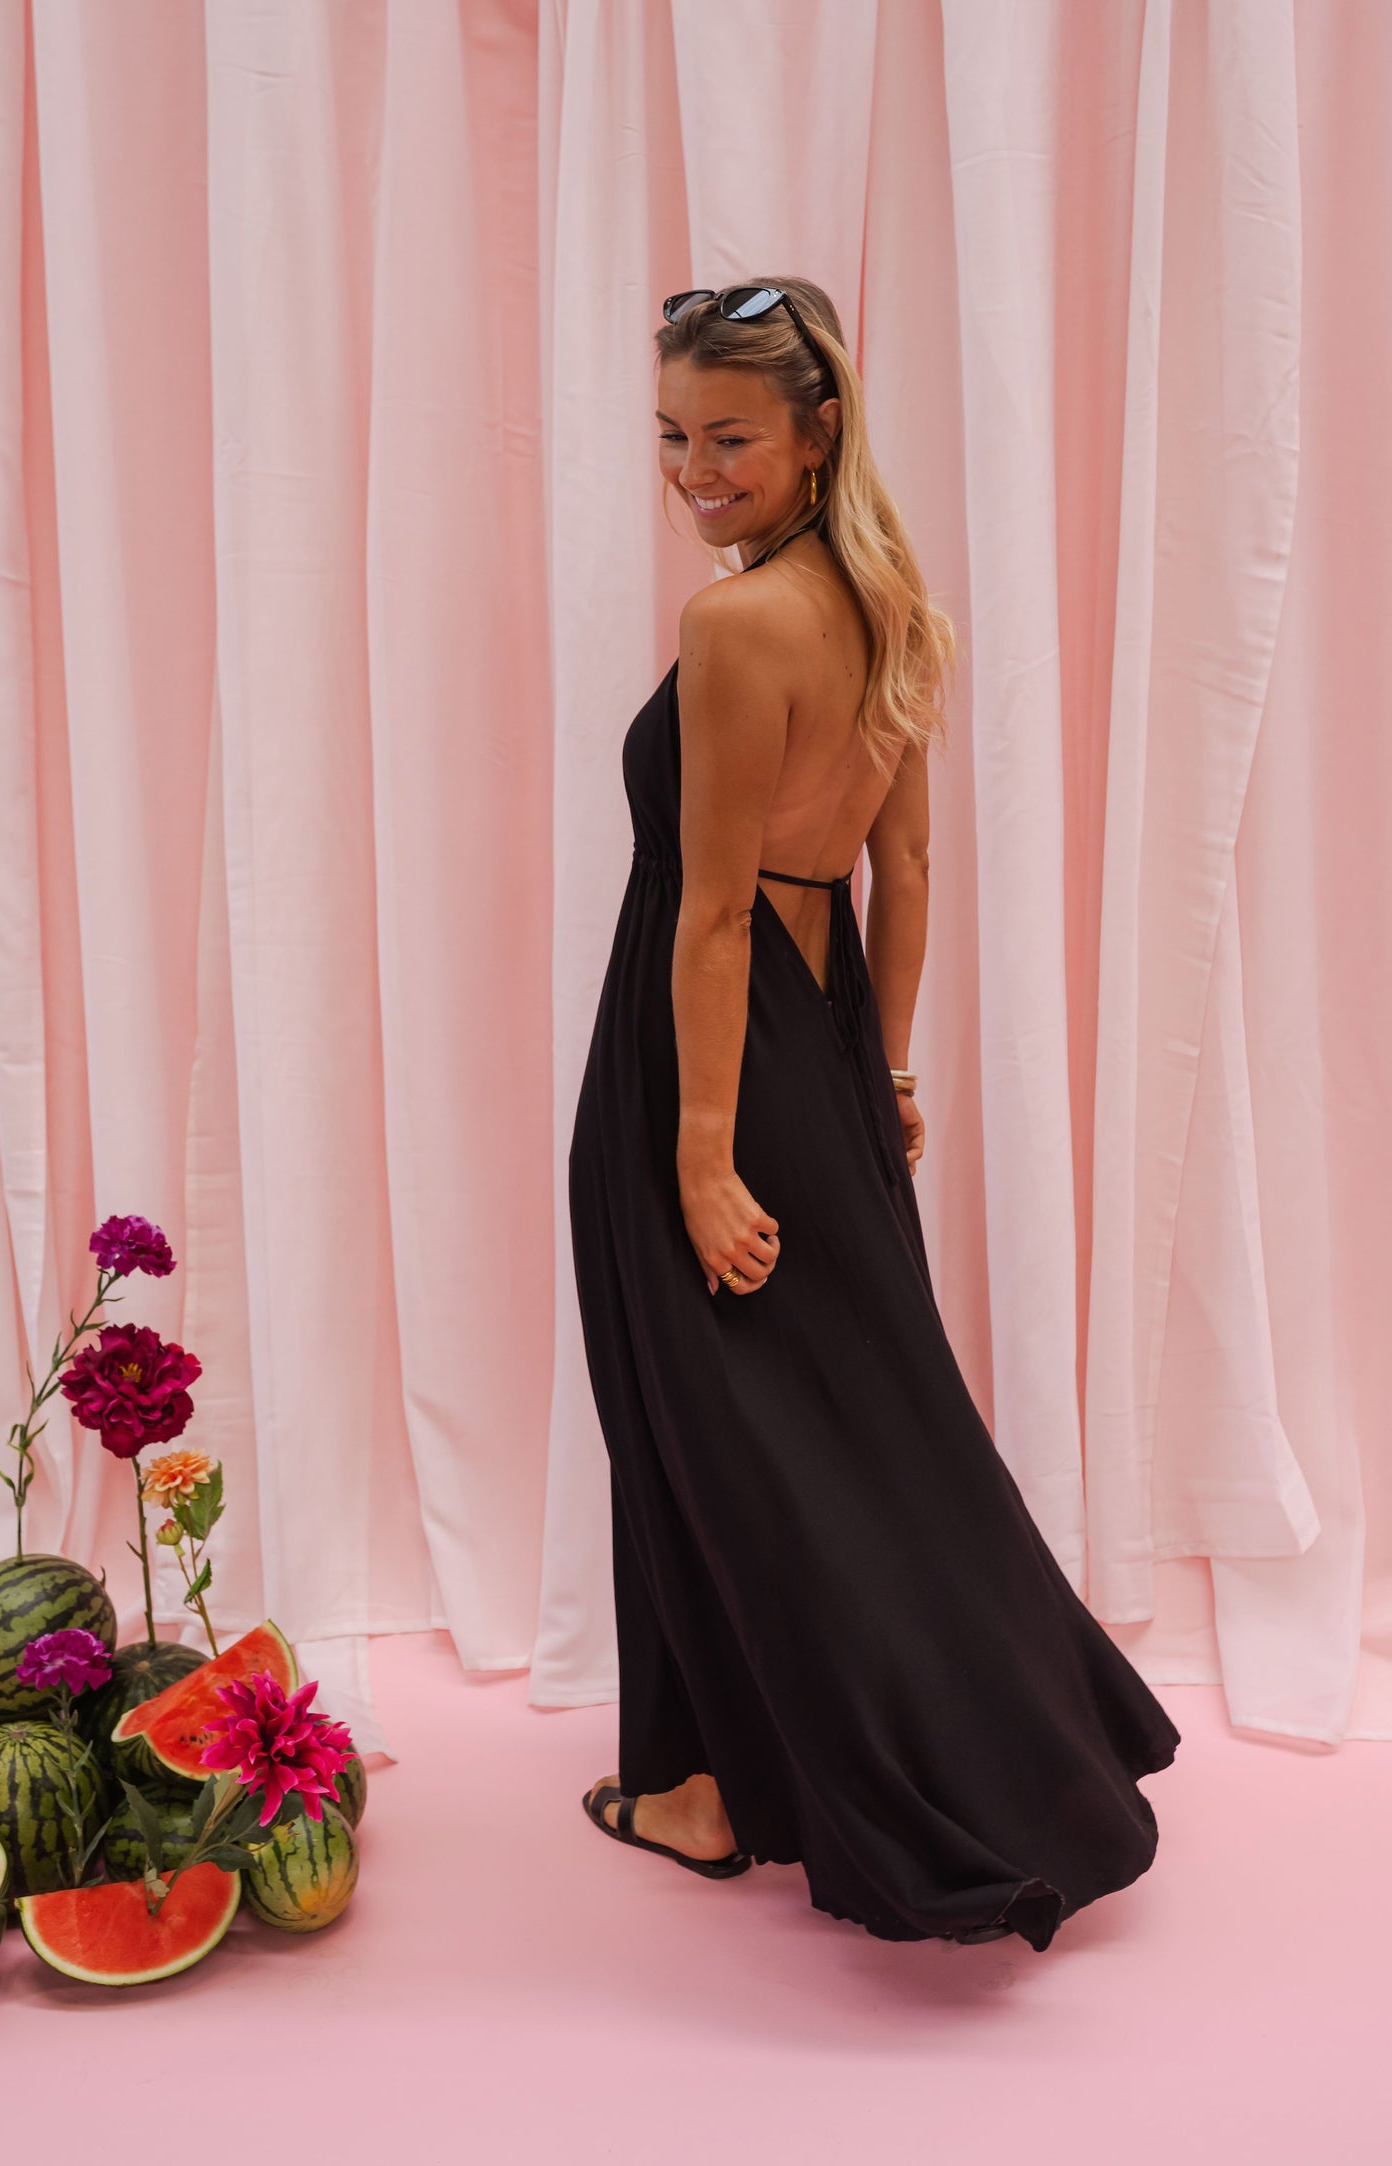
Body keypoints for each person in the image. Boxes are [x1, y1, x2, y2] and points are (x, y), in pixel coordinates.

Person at [567, 279, 1180, 1953]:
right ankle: (897, 1750)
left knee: (692, 1418)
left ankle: (710, 1786)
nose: (694, 471)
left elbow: (708, 911)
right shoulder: (892, 602)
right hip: (823, 1033)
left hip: (702, 1052)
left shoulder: (735, 625)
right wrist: (879, 1072)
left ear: (816, 428)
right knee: (863, 1422)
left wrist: (701, 1151)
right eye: (671, 437)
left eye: (729, 438)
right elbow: (897, 866)